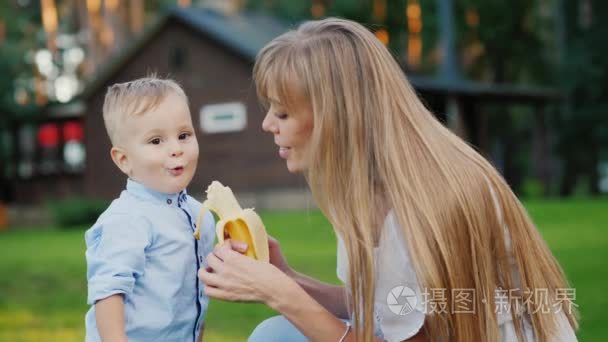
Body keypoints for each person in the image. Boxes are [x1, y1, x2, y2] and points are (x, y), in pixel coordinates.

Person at [198, 18, 579, 342]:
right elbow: (391, 310)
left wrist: (281, 294)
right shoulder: (372, 189)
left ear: (336, 118)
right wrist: (285, 277)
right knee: (276, 334)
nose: (268, 125)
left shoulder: (424, 203)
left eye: (282, 113)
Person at [85, 77, 215, 342]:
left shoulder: (201, 216)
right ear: (124, 160)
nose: (176, 149)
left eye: (183, 135)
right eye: (156, 141)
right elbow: (108, 292)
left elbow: (195, 297)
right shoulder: (128, 219)